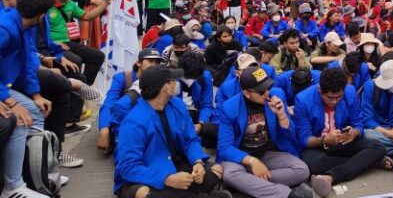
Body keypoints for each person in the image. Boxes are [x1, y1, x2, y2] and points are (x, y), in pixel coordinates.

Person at [115, 66, 229, 198]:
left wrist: (197, 161)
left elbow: (190, 139)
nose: (177, 82)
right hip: (148, 175)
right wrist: (166, 179)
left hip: (177, 166)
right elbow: (128, 167)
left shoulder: (177, 104)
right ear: (165, 87)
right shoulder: (133, 122)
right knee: (143, 193)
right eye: (173, 80)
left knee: (217, 169)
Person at [215, 66, 315, 198]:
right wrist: (252, 161)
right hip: (240, 157)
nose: (267, 93)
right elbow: (224, 147)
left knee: (302, 170)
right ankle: (287, 194)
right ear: (247, 93)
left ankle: (246, 184)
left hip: (266, 152)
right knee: (230, 174)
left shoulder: (277, 95)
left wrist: (282, 116)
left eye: (268, 87)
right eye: (261, 91)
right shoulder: (229, 107)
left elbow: (289, 134)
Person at [294, 68, 386, 195]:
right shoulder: (303, 99)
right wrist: (324, 139)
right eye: (330, 97)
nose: (334, 101)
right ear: (320, 90)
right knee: (313, 165)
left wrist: (354, 133)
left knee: (378, 146)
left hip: (342, 141)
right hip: (318, 145)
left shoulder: (350, 91)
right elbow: (304, 139)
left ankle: (331, 177)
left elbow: (358, 123)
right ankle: (370, 162)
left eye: (339, 97)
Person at [0, 0, 53, 198]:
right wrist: (10, 102)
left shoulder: (26, 25)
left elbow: (29, 60)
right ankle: (13, 187)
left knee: (36, 111)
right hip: (3, 89)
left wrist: (36, 94)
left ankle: (34, 176)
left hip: (5, 85)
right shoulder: (5, 27)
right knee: (21, 119)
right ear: (42, 14)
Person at [47, 0, 109, 85]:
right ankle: (74, 90)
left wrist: (105, 3)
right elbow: (37, 30)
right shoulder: (45, 2)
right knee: (76, 61)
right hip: (50, 44)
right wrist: (54, 42)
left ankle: (83, 88)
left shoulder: (69, 3)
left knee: (98, 56)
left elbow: (87, 16)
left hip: (66, 43)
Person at [97, 48, 163, 153]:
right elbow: (109, 103)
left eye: (157, 62)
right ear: (138, 63)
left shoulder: (159, 80)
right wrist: (104, 130)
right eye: (150, 61)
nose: (154, 65)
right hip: (121, 121)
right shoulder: (122, 78)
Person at [361, 60, 393, 159]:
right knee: (367, 135)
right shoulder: (371, 86)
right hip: (376, 129)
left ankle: (380, 151)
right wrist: (389, 134)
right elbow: (368, 120)